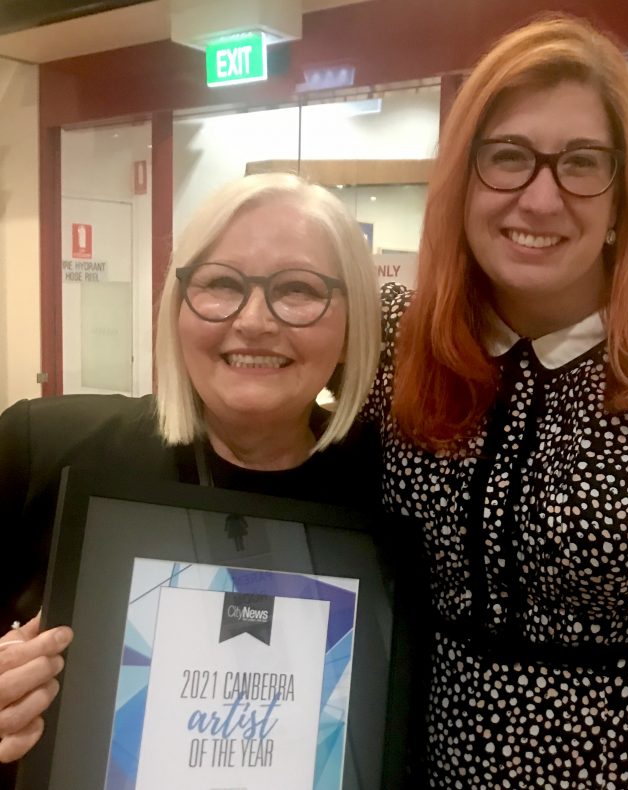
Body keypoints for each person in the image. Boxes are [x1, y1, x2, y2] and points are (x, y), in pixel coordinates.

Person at [362, 14, 628, 789]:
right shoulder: (399, 344)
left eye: (582, 164)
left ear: (623, 195)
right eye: (508, 157)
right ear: (464, 181)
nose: (540, 198)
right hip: (404, 761)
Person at [0, 172, 381, 774]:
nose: (255, 320)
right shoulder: (41, 449)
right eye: (221, 283)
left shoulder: (389, 491)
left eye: (300, 290)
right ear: (177, 310)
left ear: (352, 326)